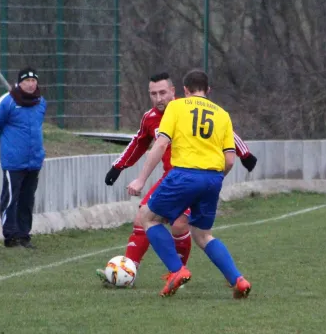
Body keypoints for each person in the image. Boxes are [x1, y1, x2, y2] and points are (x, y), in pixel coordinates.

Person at [96, 72, 257, 285]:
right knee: (150, 221)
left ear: (176, 91)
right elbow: (139, 143)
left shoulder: (181, 108)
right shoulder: (152, 118)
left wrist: (245, 153)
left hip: (183, 176)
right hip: (187, 178)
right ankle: (129, 271)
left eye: (163, 92)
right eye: (153, 94)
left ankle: (179, 271)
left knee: (176, 224)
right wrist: (118, 167)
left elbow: (224, 133)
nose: (158, 98)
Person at [0, 67, 46, 249]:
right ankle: (10, 236)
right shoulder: (7, 101)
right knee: (11, 199)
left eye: (33, 81)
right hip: (13, 161)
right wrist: (5, 148)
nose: (30, 84)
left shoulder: (41, 102)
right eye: (26, 81)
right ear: (19, 83)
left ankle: (24, 234)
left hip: (34, 160)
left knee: (27, 199)